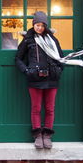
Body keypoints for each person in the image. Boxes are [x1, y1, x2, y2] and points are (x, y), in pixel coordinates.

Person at [15, 11, 64, 149]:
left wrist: (59, 70)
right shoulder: (28, 40)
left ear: (45, 26)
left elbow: (61, 58)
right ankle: (37, 135)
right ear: (33, 24)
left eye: (42, 25)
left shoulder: (52, 39)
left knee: (50, 108)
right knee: (36, 108)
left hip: (52, 79)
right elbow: (18, 58)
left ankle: (47, 135)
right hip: (34, 79)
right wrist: (26, 71)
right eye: (37, 25)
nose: (39, 28)